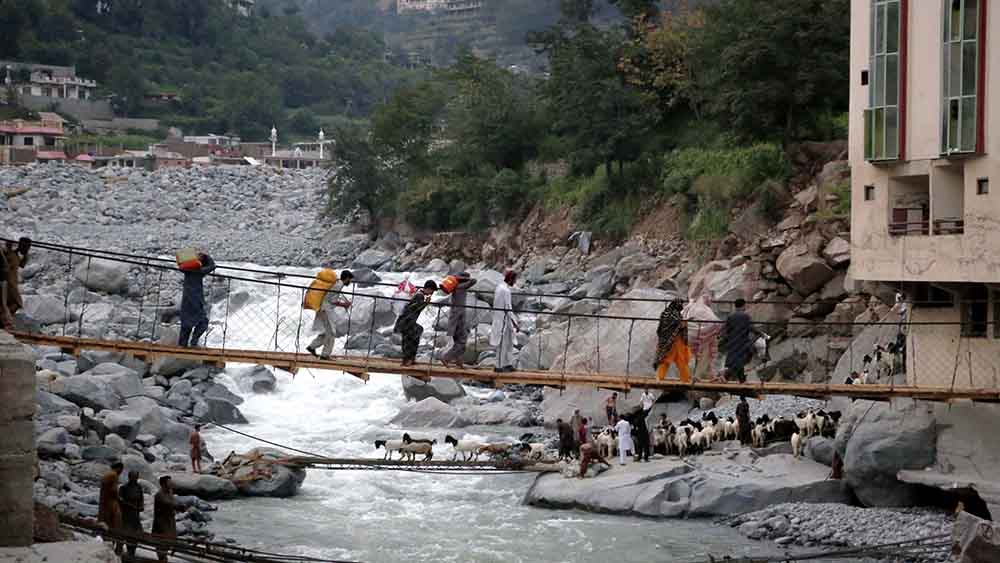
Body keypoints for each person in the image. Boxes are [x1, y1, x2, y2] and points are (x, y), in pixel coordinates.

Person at [306, 270, 353, 359]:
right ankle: (325, 355)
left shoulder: (337, 283)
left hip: (324, 309)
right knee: (331, 332)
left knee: (327, 331)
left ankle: (312, 347)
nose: (350, 282)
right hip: (326, 310)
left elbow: (330, 297)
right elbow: (332, 300)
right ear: (346, 278)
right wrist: (344, 305)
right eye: (350, 280)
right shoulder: (338, 285)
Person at [395, 280, 438, 366]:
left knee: (409, 339)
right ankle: (409, 360)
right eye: (432, 291)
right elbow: (416, 308)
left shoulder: (418, 293)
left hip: (405, 320)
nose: (432, 293)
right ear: (429, 289)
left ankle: (408, 359)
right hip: (407, 321)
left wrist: (425, 303)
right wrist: (426, 303)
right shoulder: (420, 296)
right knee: (411, 340)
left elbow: (414, 307)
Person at [179, 252, 216, 347]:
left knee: (186, 325)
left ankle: (182, 346)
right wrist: (206, 256)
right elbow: (212, 266)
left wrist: (191, 257)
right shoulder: (199, 271)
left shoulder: (188, 270)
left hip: (186, 301)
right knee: (203, 322)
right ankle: (194, 342)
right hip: (195, 301)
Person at [440, 272, 477, 368]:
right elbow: (474, 281)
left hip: (455, 318)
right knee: (462, 341)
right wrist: (466, 279)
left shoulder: (456, 287)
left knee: (459, 341)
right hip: (458, 319)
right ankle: (446, 357)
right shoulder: (462, 286)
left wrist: (456, 279)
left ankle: (459, 361)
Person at [720, 298, 756, 383]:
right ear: (743, 305)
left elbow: (725, 330)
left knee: (737, 361)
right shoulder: (746, 316)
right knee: (741, 360)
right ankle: (726, 376)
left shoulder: (730, 316)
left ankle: (742, 379)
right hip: (742, 343)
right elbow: (751, 328)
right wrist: (761, 334)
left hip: (732, 343)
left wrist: (725, 339)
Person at [655, 300, 691, 382]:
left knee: (665, 360)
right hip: (676, 342)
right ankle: (686, 379)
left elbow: (660, 329)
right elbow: (680, 327)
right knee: (681, 361)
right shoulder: (676, 316)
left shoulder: (665, 314)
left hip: (667, 343)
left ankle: (659, 378)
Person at [490, 270, 519, 373]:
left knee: (507, 342)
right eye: (514, 280)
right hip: (503, 320)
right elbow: (508, 308)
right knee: (503, 344)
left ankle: (507, 364)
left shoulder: (499, 287)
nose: (515, 282)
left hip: (499, 318)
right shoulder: (506, 291)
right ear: (511, 279)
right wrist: (515, 323)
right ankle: (498, 366)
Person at [153, 475, 184, 562]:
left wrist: (178, 507)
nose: (171, 483)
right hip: (161, 524)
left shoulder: (170, 492)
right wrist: (179, 507)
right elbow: (168, 503)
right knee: (161, 545)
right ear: (163, 484)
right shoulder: (159, 495)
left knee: (168, 543)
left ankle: (164, 558)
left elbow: (173, 502)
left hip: (169, 522)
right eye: (169, 482)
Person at [1, 238, 29, 330]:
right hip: (7, 283)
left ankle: (4, 319)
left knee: (11, 304)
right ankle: (4, 319)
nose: (26, 249)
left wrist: (25, 255)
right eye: (24, 246)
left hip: (13, 284)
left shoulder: (16, 255)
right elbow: (3, 251)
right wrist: (8, 245)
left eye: (27, 247)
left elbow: (22, 265)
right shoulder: (9, 252)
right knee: (17, 302)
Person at [99, 461, 124, 555]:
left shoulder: (107, 474)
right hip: (111, 503)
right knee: (115, 524)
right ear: (119, 468)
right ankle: (113, 547)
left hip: (104, 503)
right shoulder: (114, 475)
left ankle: (107, 543)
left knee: (106, 522)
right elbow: (114, 490)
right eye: (121, 470)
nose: (121, 472)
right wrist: (120, 498)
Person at [118, 470, 144, 559]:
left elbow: (141, 499)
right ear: (129, 477)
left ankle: (131, 553)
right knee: (123, 534)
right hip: (125, 515)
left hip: (135, 516)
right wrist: (129, 505)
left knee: (135, 536)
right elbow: (120, 500)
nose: (135, 479)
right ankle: (118, 553)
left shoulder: (139, 487)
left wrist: (141, 506)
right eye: (133, 477)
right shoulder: (124, 488)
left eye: (136, 477)